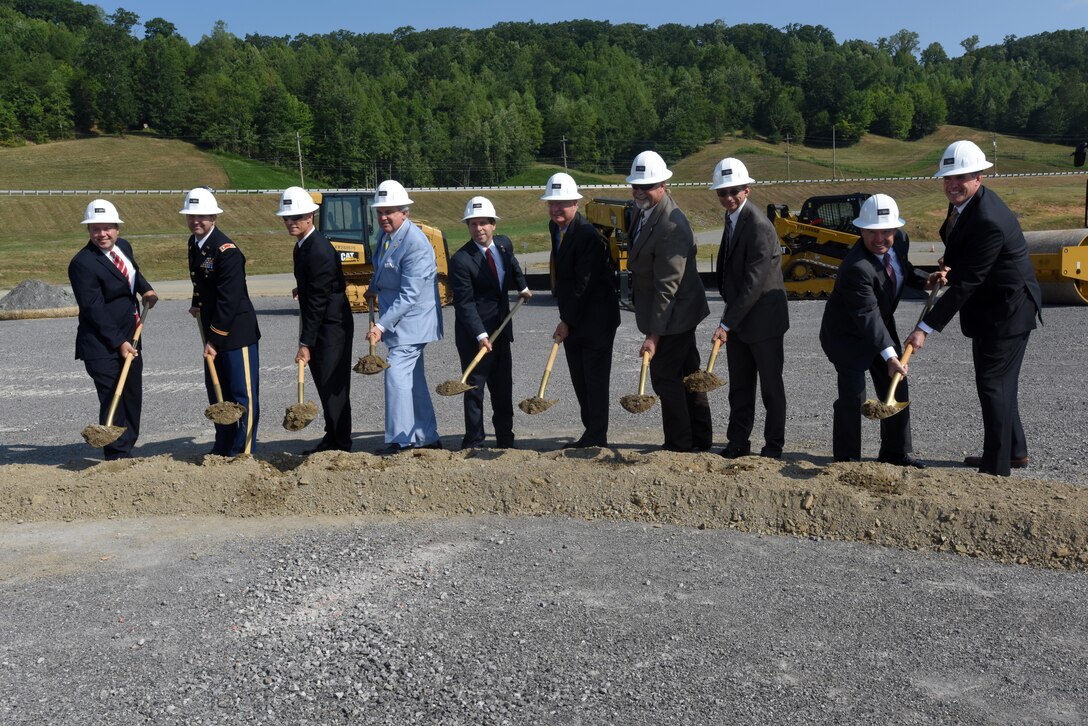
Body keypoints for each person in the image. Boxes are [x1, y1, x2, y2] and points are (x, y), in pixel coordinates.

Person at [905, 140, 1042, 476]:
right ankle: (1014, 450)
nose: (953, 185)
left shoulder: (988, 218)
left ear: (979, 177)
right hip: (994, 307)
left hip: (1008, 310)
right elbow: (963, 249)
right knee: (999, 383)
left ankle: (997, 468)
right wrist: (949, 265)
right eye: (948, 179)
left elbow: (969, 284)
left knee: (993, 384)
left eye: (961, 178)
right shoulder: (967, 205)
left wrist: (924, 328)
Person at [820, 194, 927, 468]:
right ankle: (847, 459)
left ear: (896, 229)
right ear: (861, 230)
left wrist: (928, 280)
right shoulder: (857, 267)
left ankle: (895, 453)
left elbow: (902, 270)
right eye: (871, 232)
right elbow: (867, 315)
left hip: (878, 327)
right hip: (846, 336)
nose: (880, 238)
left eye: (886, 231)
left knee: (896, 384)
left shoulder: (900, 241)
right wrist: (890, 356)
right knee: (853, 397)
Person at [626, 150, 713, 452]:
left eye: (646, 187)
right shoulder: (643, 210)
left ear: (663, 184)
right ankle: (699, 439)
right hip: (674, 312)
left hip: (676, 314)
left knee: (665, 378)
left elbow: (668, 288)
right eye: (636, 186)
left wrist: (654, 336)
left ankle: (680, 444)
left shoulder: (671, 226)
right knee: (689, 374)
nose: (639, 192)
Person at [708, 158, 789, 459]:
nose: (728, 197)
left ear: (747, 190)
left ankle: (774, 445)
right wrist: (731, 320)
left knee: (770, 387)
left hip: (764, 320)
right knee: (740, 387)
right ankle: (738, 441)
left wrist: (726, 323)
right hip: (741, 319)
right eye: (722, 192)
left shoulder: (758, 226)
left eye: (734, 191)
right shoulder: (733, 220)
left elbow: (754, 283)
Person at [69, 199, 157, 460]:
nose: (102, 234)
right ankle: (116, 455)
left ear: (117, 228)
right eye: (95, 229)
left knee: (131, 395)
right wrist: (120, 342)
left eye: (107, 228)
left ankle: (127, 446)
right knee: (113, 398)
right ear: (88, 231)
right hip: (101, 344)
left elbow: (133, 273)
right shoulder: (82, 263)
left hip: (132, 335)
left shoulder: (124, 248)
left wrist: (146, 288)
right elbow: (94, 309)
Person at [365, 179, 444, 455]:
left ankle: (401, 439)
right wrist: (372, 289)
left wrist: (380, 326)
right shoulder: (386, 236)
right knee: (414, 380)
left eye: (390, 211)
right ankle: (426, 436)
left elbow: (410, 295)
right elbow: (382, 268)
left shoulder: (415, 244)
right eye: (380, 212)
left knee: (396, 374)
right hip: (397, 320)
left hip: (413, 322)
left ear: (405, 212)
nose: (384, 217)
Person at [543, 172, 620, 448]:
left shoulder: (587, 235)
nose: (555, 209)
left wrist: (565, 321)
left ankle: (597, 437)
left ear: (576, 203)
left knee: (595, 381)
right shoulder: (556, 228)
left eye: (561, 203)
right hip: (575, 318)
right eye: (551, 203)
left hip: (597, 319)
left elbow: (583, 285)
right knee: (579, 379)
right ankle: (591, 431)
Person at [182, 187, 261, 457]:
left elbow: (230, 299)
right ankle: (224, 445)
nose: (196, 221)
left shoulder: (227, 251)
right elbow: (200, 280)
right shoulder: (195, 243)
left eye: (202, 216)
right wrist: (196, 301)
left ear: (214, 216)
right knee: (219, 394)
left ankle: (244, 450)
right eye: (192, 216)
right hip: (213, 331)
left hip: (236, 333)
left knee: (242, 395)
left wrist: (214, 340)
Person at [449, 196, 531, 450]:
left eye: (483, 223)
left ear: (493, 224)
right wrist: (480, 335)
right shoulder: (461, 260)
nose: (479, 229)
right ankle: (474, 440)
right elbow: (464, 303)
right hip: (475, 335)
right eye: (473, 224)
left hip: (502, 329)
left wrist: (523, 286)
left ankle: (505, 438)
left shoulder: (504, 245)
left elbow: (513, 266)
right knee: (474, 388)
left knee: (503, 387)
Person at [279, 186, 354, 453]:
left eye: (296, 217)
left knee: (333, 384)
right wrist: (304, 288)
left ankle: (340, 442)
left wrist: (305, 343)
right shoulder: (302, 246)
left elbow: (319, 303)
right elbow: (321, 284)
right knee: (324, 383)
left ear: (310, 215)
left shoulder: (318, 249)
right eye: (286, 218)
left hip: (332, 325)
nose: (291, 222)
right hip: (323, 319)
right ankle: (332, 436)